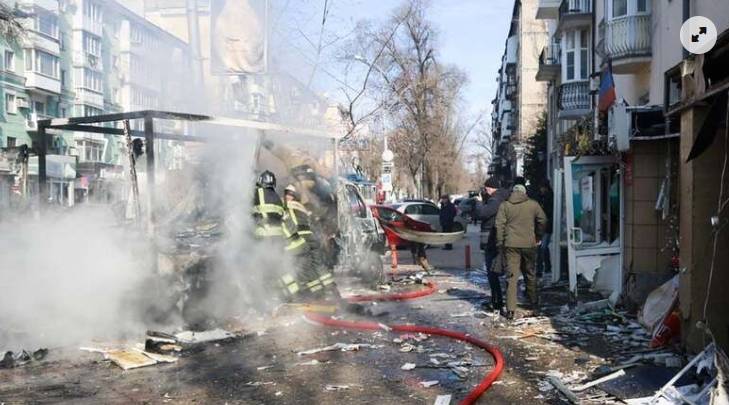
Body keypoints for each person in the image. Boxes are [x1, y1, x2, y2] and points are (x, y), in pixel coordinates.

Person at [252, 171, 308, 300]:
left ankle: (269, 297)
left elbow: (246, 212)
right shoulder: (277, 197)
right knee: (280, 268)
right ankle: (293, 294)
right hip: (277, 239)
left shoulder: (257, 193)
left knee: (265, 270)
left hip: (263, 238)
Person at [495, 184, 548, 320]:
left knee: (511, 277)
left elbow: (499, 225)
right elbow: (543, 220)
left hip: (511, 244)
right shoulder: (533, 205)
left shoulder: (505, 205)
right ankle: (534, 304)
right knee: (530, 274)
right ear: (525, 192)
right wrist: (538, 236)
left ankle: (511, 310)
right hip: (529, 244)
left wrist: (501, 242)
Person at [283, 184, 336, 299]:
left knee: (301, 267)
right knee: (317, 266)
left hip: (301, 239)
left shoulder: (287, 206)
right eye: (287, 194)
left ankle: (305, 294)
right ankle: (330, 290)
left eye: (289, 194)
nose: (288, 196)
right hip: (311, 238)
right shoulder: (301, 207)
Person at [479, 178, 511, 311]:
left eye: (486, 188)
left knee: (492, 271)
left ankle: (497, 302)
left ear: (491, 188)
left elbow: (482, 213)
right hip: (504, 238)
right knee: (501, 270)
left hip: (493, 238)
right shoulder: (504, 197)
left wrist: (479, 202)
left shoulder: (495, 200)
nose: (485, 191)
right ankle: (501, 301)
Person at [535, 181, 554, 278]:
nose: (541, 190)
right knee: (541, 248)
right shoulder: (540, 197)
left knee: (542, 247)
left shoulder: (549, 197)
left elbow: (548, 212)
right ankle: (543, 267)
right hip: (541, 227)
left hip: (546, 227)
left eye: (542, 188)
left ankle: (545, 267)